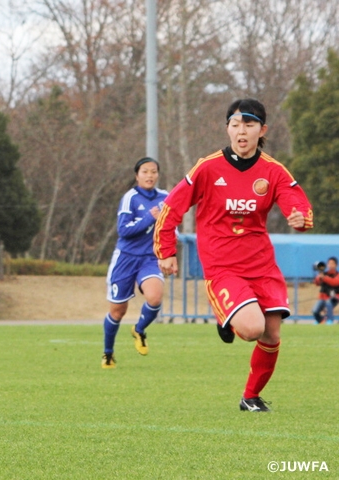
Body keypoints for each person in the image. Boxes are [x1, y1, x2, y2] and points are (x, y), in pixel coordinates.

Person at [154, 98, 313, 412]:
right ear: (227, 129)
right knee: (252, 328)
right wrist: (166, 251)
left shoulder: (272, 170)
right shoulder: (208, 167)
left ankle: (250, 397)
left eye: (249, 125)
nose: (242, 131)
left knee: (271, 332)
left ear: (262, 130)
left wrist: (300, 218)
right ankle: (225, 318)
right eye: (236, 124)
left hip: (261, 264)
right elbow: (172, 207)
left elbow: (297, 202)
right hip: (222, 265)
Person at [102, 157, 168, 368]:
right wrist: (150, 217)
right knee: (117, 311)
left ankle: (139, 329)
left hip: (150, 258)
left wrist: (170, 250)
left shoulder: (165, 197)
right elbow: (124, 230)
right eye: (145, 172)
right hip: (126, 258)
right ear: (137, 175)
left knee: (155, 297)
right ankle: (108, 353)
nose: (150, 176)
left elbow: (170, 225)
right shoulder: (130, 198)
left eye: (153, 172)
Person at [312, 257, 339, 324]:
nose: (330, 265)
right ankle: (320, 320)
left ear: (336, 265)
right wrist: (319, 277)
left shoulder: (337, 274)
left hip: (334, 297)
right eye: (329, 263)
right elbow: (317, 283)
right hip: (322, 298)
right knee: (315, 310)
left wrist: (324, 277)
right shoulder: (324, 273)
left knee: (328, 303)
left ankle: (330, 320)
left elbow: (334, 282)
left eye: (332, 263)